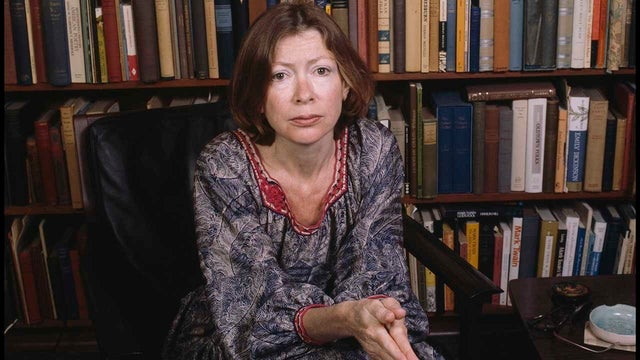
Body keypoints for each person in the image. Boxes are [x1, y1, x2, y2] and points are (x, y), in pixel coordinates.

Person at [162, 2, 444, 359]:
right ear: (257, 95)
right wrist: (345, 319)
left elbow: (376, 268)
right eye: (280, 76)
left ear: (345, 84)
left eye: (322, 70)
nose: (303, 94)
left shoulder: (373, 148)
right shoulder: (224, 164)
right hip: (245, 335)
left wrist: (381, 319)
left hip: (353, 319)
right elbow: (254, 309)